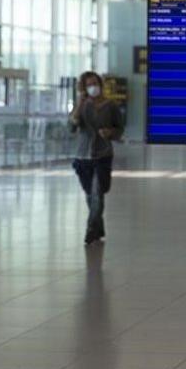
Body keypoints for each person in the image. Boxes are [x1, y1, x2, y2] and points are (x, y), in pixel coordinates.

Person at [70, 72, 124, 245]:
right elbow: (71, 127)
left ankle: (91, 230)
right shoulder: (82, 105)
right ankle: (98, 227)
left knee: (97, 194)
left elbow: (119, 128)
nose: (93, 87)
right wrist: (79, 105)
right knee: (90, 195)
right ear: (84, 88)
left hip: (103, 154)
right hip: (83, 155)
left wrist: (110, 133)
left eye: (95, 83)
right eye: (89, 85)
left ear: (100, 84)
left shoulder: (111, 106)